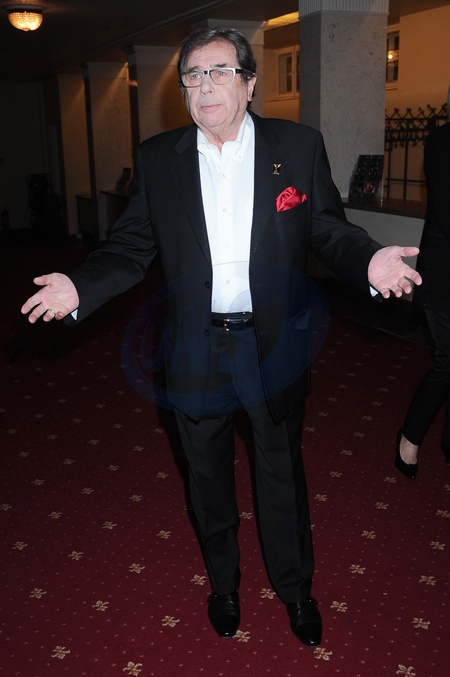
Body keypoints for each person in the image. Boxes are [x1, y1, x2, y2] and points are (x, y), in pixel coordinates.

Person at [21, 28, 422, 646]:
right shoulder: (159, 158)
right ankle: (225, 585)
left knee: (280, 471)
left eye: (219, 72)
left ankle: (296, 589)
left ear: (249, 83)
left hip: (273, 342)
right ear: (183, 88)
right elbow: (129, 247)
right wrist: (80, 286)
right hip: (194, 346)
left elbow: (327, 230)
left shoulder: (297, 146)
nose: (204, 85)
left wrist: (369, 259)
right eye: (192, 75)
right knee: (206, 476)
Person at [395, 107, 450, 480]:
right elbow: (447, 212)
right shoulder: (443, 140)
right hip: (445, 272)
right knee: (448, 361)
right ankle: (409, 436)